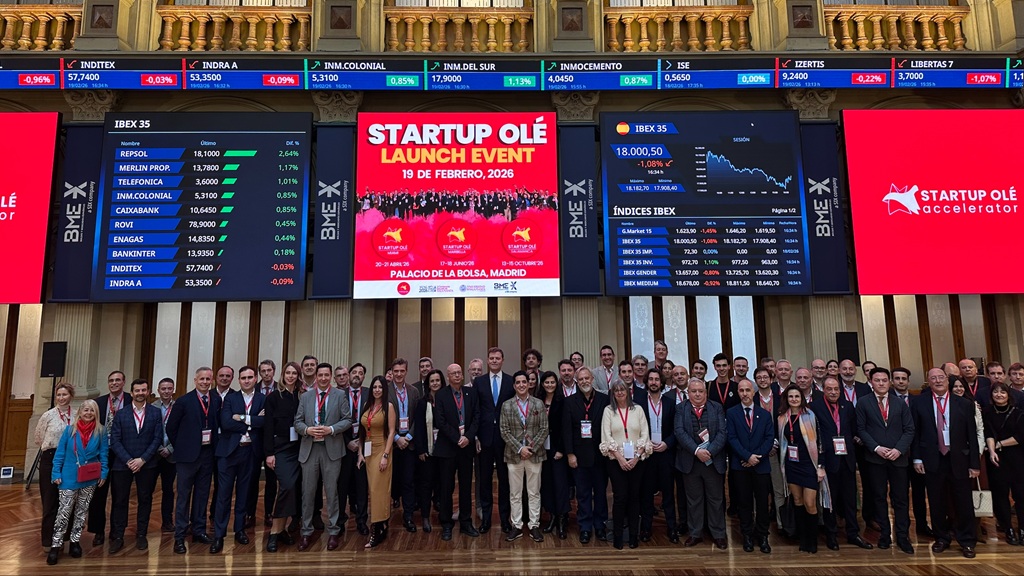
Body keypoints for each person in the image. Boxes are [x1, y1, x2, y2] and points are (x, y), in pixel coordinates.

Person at [911, 368, 979, 558]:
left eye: (941, 377)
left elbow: (972, 436)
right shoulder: (919, 402)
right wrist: (917, 458)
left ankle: (967, 541)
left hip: (959, 459)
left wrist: (974, 464)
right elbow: (915, 433)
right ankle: (941, 538)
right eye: (934, 378)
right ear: (928, 381)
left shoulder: (964, 403)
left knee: (964, 502)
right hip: (932, 459)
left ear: (948, 380)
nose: (938, 381)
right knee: (936, 501)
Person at [856, 367, 915, 554]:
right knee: (879, 497)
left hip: (898, 459)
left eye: (884, 380)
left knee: (901, 499)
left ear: (889, 382)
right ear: (871, 382)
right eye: (877, 380)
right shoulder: (863, 403)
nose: (881, 383)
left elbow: (909, 429)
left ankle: (903, 536)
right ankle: (884, 535)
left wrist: (898, 449)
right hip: (875, 459)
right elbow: (861, 429)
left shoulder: (900, 403)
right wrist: (876, 448)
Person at [295, 362, 352, 551]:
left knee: (332, 493)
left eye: (327, 375)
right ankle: (306, 531)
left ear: (331, 377)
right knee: (308, 492)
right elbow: (297, 422)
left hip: (332, 450)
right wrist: (308, 430)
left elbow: (347, 420)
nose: (323, 378)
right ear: (316, 376)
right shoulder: (306, 396)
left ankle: (334, 531)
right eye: (320, 375)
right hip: (310, 449)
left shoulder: (340, 395)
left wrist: (331, 429)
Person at [811, 377, 872, 550]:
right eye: (829, 389)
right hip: (828, 460)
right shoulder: (815, 407)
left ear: (840, 390)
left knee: (850, 499)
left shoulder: (847, 406)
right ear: (823, 389)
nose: (833, 392)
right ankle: (831, 536)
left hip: (847, 459)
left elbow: (852, 430)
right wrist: (820, 463)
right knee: (831, 501)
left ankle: (853, 533)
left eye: (836, 389)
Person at [166, 367, 222, 554]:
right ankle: (180, 536)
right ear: (195, 380)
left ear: (212, 381)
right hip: (187, 458)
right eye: (202, 379)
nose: (205, 382)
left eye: (208, 379)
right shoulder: (183, 401)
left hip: (207, 455)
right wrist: (183, 446)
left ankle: (199, 530)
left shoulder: (216, 400)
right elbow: (171, 428)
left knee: (202, 495)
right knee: (183, 497)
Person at [47, 400, 109, 566]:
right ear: (80, 412)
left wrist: (104, 473)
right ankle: (56, 544)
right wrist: (56, 472)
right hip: (68, 475)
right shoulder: (69, 430)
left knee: (82, 511)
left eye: (92, 410)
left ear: (96, 413)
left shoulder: (101, 431)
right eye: (86, 410)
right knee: (64, 512)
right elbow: (59, 453)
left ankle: (75, 541)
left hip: (89, 477)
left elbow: (103, 454)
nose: (89, 413)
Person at [212, 366, 264, 553]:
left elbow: (265, 422)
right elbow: (225, 422)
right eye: (243, 378)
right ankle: (219, 535)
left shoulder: (263, 399)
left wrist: (241, 418)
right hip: (228, 453)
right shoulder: (229, 399)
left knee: (244, 494)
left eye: (250, 377)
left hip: (250, 452)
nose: (247, 380)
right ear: (239, 380)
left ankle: (240, 530)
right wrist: (251, 423)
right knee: (223, 495)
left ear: (255, 379)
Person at [108, 378, 163, 553]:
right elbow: (114, 440)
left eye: (143, 390)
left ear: (148, 392)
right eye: (137, 390)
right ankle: (118, 536)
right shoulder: (121, 414)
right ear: (131, 393)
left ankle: (141, 534)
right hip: (123, 465)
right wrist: (129, 460)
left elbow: (157, 439)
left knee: (145, 499)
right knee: (119, 500)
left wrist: (142, 459)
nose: (140, 393)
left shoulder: (155, 413)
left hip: (147, 465)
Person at [675, 377, 729, 550]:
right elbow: (679, 432)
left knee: (716, 499)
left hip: (713, 461)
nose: (697, 394)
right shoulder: (680, 408)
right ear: (688, 392)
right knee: (694, 500)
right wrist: (697, 451)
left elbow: (722, 432)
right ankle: (695, 533)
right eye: (694, 391)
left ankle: (719, 534)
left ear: (706, 392)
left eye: (700, 391)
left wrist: (709, 451)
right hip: (691, 461)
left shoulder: (717, 407)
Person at [778, 384, 829, 554]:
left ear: (802, 399)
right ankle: (803, 538)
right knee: (798, 502)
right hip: (791, 465)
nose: (794, 399)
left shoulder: (810, 416)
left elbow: (820, 443)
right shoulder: (781, 418)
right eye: (790, 396)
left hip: (809, 465)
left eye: (797, 397)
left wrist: (821, 466)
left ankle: (812, 539)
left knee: (809, 503)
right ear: (787, 399)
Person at [562, 366, 610, 544]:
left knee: (600, 493)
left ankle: (600, 525)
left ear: (592, 379)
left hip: (600, 456)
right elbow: (566, 431)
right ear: (577, 381)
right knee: (582, 494)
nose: (584, 382)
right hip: (579, 457)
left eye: (586, 378)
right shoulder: (570, 402)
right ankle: (585, 527)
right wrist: (570, 454)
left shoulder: (605, 400)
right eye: (580, 379)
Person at [500, 371, 549, 543]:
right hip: (514, 455)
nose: (521, 385)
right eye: (518, 382)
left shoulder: (538, 404)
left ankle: (534, 525)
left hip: (535, 455)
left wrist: (531, 448)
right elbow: (504, 431)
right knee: (515, 493)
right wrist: (520, 449)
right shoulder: (506, 405)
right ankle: (517, 526)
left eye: (524, 382)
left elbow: (544, 429)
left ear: (529, 384)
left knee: (534, 492)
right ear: (514, 386)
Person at [601, 380, 650, 549]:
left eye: (623, 390)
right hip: (616, 462)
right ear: (613, 394)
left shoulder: (638, 410)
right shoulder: (608, 411)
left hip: (637, 461)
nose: (620, 393)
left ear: (629, 392)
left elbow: (645, 434)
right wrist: (620, 458)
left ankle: (634, 536)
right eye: (617, 390)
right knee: (620, 497)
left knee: (634, 497)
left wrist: (636, 457)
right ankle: (617, 536)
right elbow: (606, 437)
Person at [726, 378, 773, 554]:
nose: (745, 394)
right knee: (744, 503)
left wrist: (756, 458)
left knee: (762, 503)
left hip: (761, 466)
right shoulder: (731, 413)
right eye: (741, 390)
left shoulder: (765, 414)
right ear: (738, 393)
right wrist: (747, 456)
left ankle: (762, 535)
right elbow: (731, 438)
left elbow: (769, 438)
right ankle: (746, 535)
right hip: (740, 465)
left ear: (754, 392)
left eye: (748, 390)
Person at [435, 363, 480, 540]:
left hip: (466, 448)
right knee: (446, 487)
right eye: (453, 373)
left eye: (459, 373)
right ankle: (446, 523)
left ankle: (466, 522)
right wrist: (457, 438)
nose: (456, 376)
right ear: (448, 376)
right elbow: (440, 421)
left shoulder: (470, 394)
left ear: (462, 375)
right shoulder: (441, 395)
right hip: (448, 448)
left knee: (466, 485)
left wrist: (468, 437)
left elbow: (477, 416)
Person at [474, 347, 515, 534]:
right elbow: (475, 411)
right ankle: (486, 519)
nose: (495, 361)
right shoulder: (479, 382)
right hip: (484, 439)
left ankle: (505, 519)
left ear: (503, 360)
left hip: (505, 438)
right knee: (484, 480)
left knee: (505, 480)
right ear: (488, 361)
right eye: (491, 358)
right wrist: (475, 435)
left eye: (498, 358)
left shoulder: (510, 381)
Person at [636, 369, 678, 543]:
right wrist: (644, 444)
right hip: (646, 454)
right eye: (650, 379)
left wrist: (667, 443)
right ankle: (646, 529)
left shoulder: (670, 402)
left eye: (656, 379)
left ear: (661, 382)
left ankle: (672, 529)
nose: (653, 382)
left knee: (668, 494)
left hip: (665, 453)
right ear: (647, 382)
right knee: (646, 494)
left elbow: (677, 429)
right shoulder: (637, 403)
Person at [264, 362, 302, 553]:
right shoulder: (273, 397)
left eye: (294, 373)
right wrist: (269, 453)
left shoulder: (302, 396)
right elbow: (268, 426)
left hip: (301, 449)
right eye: (287, 372)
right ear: (282, 374)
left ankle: (283, 530)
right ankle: (274, 532)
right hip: (281, 449)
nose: (290, 376)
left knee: (294, 489)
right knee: (286, 486)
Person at [34, 381, 75, 550]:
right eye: (58, 394)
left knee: (68, 501)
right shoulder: (48, 415)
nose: (61, 398)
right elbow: (38, 438)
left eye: (64, 394)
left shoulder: (77, 415)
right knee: (50, 500)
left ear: (71, 396)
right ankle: (48, 541)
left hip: (70, 460)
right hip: (50, 459)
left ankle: (66, 538)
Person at [87, 370, 125, 546]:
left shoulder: (132, 401)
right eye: (111, 380)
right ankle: (98, 531)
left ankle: (117, 531)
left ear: (123, 382)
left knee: (120, 495)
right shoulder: (98, 403)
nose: (114, 383)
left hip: (122, 454)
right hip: (101, 454)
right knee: (98, 495)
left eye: (118, 380)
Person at [984, 381, 1024, 545]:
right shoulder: (986, 412)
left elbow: (1020, 437)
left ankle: (1022, 528)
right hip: (996, 460)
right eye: (995, 392)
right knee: (1000, 496)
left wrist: (999, 445)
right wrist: (992, 451)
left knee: (1021, 496)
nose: (999, 395)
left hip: (1017, 458)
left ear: (1009, 395)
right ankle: (1007, 528)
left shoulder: (1019, 413)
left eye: (1002, 392)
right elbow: (989, 433)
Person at [360, 376, 397, 548]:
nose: (376, 390)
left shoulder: (388, 407)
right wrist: (360, 453)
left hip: (382, 449)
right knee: (372, 489)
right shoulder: (368, 406)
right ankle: (382, 524)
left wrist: (385, 455)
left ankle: (375, 528)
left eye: (380, 387)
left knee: (378, 490)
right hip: (368, 450)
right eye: (374, 387)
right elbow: (362, 431)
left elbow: (391, 432)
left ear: (384, 389)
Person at [386, 358, 422, 533]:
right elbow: (382, 418)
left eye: (402, 371)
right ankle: (384, 516)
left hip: (409, 443)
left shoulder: (414, 391)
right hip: (390, 445)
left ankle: (408, 516)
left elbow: (417, 417)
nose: (399, 374)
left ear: (406, 372)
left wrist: (407, 437)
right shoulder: (384, 391)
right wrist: (395, 439)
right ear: (391, 372)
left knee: (408, 481)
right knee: (389, 481)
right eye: (396, 371)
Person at [892, 366, 928, 538]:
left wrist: (919, 456)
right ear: (892, 381)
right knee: (899, 494)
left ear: (908, 381)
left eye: (903, 378)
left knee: (920, 493)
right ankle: (902, 530)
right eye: (897, 378)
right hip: (895, 454)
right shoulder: (886, 400)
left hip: (917, 454)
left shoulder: (918, 401)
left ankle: (922, 525)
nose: (900, 381)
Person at [536, 371, 568, 539]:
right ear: (542, 384)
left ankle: (562, 520)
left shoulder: (562, 402)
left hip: (557, 449)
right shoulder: (537, 402)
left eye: (552, 382)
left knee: (560, 485)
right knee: (547, 484)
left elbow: (565, 428)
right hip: (542, 449)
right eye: (546, 382)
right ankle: (552, 517)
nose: (549, 385)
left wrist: (562, 449)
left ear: (557, 384)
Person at [413, 369, 444, 533]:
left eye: (438, 380)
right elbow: (418, 428)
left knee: (443, 485)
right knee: (426, 485)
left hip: (445, 452)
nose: (435, 383)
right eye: (432, 381)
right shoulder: (421, 403)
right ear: (428, 384)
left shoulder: (447, 400)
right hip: (427, 452)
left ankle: (443, 515)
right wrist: (420, 450)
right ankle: (425, 516)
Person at [255, 360, 278, 527]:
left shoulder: (281, 389)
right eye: (263, 371)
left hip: (274, 440)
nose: (266, 374)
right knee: (251, 479)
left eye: (269, 370)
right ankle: (250, 513)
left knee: (271, 480)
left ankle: (269, 512)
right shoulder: (252, 389)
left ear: (274, 371)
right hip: (255, 439)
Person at [153, 378, 177, 533]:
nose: (166, 391)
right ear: (158, 390)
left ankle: (167, 521)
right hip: (153, 455)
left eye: (169, 388)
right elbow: (147, 432)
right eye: (163, 388)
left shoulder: (179, 407)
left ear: (173, 390)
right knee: (147, 490)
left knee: (168, 490)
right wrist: (158, 447)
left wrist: (169, 448)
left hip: (171, 455)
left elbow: (182, 431)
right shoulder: (151, 407)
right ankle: (143, 524)